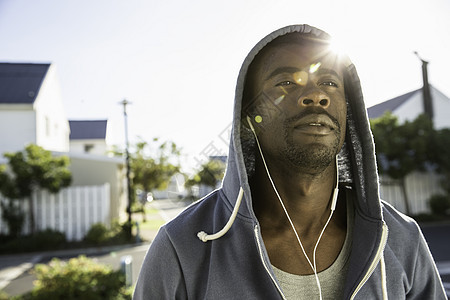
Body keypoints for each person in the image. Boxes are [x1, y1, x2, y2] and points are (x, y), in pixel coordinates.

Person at [134, 24, 447, 299]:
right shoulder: (182, 248)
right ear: (250, 119)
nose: (316, 96)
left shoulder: (401, 238)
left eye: (330, 82)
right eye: (286, 83)